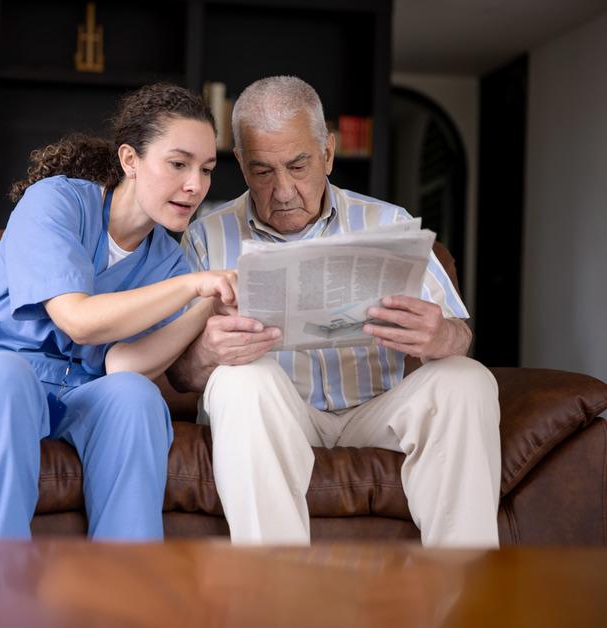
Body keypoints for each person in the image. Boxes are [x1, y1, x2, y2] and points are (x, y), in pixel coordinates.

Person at [168, 76, 501, 547]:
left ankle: (468, 592)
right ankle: (278, 598)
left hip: (375, 410)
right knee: (239, 379)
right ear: (240, 163)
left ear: (327, 152)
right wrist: (206, 353)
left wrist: (440, 336)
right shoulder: (205, 239)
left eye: (298, 166)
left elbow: (460, 335)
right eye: (262, 171)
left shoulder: (390, 224)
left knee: (466, 379)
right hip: (279, 415)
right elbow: (181, 375)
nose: (283, 191)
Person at [0, 83, 236, 541]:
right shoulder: (56, 201)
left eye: (207, 169)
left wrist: (205, 304)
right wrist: (191, 285)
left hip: (68, 399)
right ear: (130, 160)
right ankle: (0, 591)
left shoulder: (169, 262)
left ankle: (124, 598)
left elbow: (122, 365)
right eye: (178, 164)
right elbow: (77, 319)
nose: (195, 185)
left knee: (135, 397)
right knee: (7, 375)